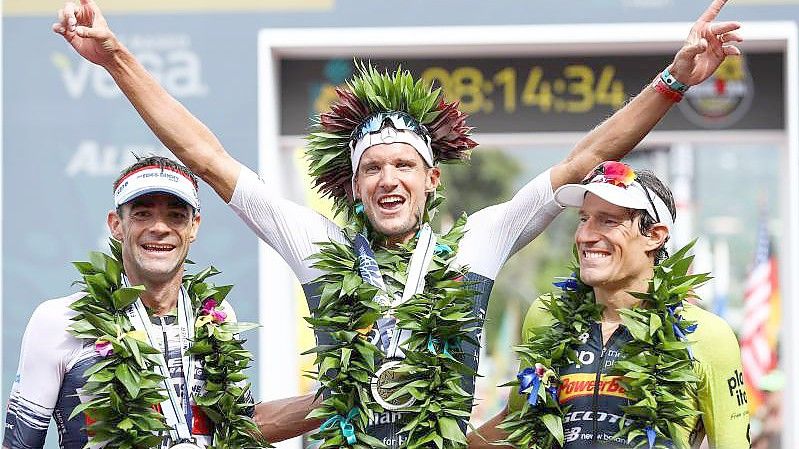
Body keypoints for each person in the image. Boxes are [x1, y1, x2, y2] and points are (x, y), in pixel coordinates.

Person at [50, 0, 742, 446]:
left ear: (430, 178)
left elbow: (586, 157)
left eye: (404, 166)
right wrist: (118, 59)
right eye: (372, 168)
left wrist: (673, 81)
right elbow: (205, 155)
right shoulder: (318, 245)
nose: (388, 179)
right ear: (352, 185)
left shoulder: (479, 240)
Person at [2, 156, 318, 449]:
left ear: (194, 227)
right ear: (115, 225)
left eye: (176, 215)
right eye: (142, 213)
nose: (160, 227)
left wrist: (348, 395)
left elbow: (243, 423)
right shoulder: (60, 320)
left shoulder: (215, 319)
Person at [467, 161, 750, 448]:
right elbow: (516, 421)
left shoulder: (706, 335)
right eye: (583, 219)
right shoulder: (545, 316)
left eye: (608, 221)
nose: (585, 235)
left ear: (654, 235)